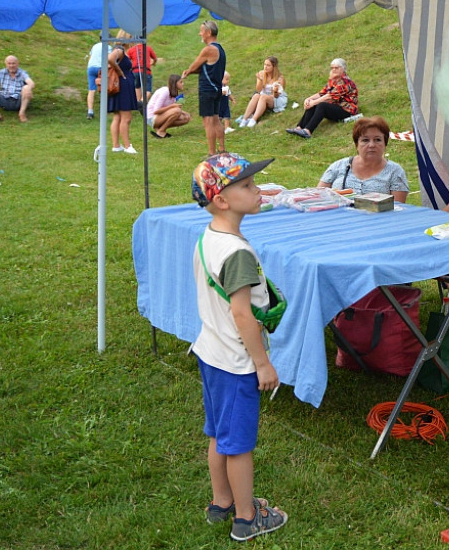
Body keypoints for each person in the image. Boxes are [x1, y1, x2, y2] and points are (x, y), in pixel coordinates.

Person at [190, 152, 289, 542]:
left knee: (218, 435)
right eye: (247, 185)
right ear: (222, 200)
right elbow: (243, 316)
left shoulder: (211, 237)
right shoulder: (238, 253)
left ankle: (221, 503)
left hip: (210, 353)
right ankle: (247, 518)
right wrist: (262, 364)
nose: (258, 190)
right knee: (239, 446)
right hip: (235, 363)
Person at [317, 116, 408, 202]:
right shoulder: (338, 166)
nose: (372, 145)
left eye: (377, 140)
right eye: (365, 140)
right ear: (357, 144)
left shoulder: (395, 172)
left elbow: (398, 210)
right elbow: (317, 199)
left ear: (385, 143)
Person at [183, 19, 227, 155]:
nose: (199, 34)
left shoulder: (208, 49)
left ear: (208, 33)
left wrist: (187, 72)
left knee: (208, 121)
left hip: (207, 90)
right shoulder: (221, 49)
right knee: (216, 119)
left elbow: (194, 66)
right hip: (217, 88)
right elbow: (206, 68)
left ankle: (211, 153)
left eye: (201, 31)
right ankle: (222, 149)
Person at [286, 58, 358, 139]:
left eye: (336, 68)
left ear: (343, 69)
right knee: (315, 103)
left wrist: (313, 102)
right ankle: (299, 127)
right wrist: (309, 99)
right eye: (332, 68)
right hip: (336, 107)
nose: (334, 70)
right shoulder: (333, 79)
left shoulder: (345, 81)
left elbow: (329, 96)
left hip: (347, 111)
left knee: (322, 105)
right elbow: (322, 93)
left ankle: (308, 131)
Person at [107, 33, 141, 154]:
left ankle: (116, 145)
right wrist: (120, 72)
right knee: (126, 117)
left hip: (120, 86)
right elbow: (110, 59)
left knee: (118, 116)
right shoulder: (120, 49)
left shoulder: (121, 50)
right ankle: (127, 146)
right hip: (123, 86)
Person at [0, 55, 36, 123]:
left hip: (18, 101)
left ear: (18, 63)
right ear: (6, 64)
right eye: (9, 63)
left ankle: (22, 113)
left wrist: (28, 89)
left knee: (26, 88)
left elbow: (31, 83)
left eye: (13, 63)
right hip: (4, 100)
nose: (11, 65)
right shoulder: (1, 72)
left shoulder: (22, 73)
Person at [238, 57, 287, 128]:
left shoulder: (280, 78)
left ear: (274, 67)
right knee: (256, 96)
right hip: (263, 95)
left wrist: (275, 91)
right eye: (264, 64)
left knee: (263, 97)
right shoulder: (261, 73)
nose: (265, 67)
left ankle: (253, 120)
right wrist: (260, 80)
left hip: (276, 98)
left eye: (268, 65)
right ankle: (244, 119)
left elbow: (276, 95)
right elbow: (258, 90)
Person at [146, 74, 191, 139]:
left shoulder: (173, 93)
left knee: (186, 118)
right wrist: (173, 106)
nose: (183, 84)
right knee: (177, 111)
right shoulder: (165, 91)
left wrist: (184, 113)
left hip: (160, 116)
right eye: (181, 82)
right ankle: (161, 131)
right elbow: (156, 111)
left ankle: (159, 129)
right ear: (175, 83)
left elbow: (170, 109)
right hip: (151, 117)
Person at [85, 37, 113, 120]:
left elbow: (90, 57)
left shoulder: (95, 46)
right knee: (104, 89)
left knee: (91, 90)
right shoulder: (108, 47)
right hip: (101, 68)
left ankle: (90, 112)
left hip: (91, 68)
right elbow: (110, 59)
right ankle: (106, 109)